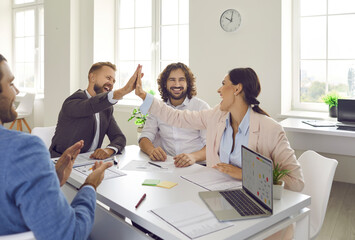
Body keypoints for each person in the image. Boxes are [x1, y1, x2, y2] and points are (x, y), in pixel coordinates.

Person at [135, 67, 304, 239]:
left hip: (257, 211)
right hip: (220, 200)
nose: (219, 90)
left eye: (224, 84)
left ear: (237, 89)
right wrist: (143, 95)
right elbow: (177, 117)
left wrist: (246, 175)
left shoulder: (271, 129)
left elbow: (296, 182)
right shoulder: (218, 115)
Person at [0, 54, 113, 239]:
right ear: (92, 77)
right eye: (10, 83)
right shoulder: (24, 149)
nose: (17, 90)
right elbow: (68, 234)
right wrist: (90, 185)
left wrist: (52, 178)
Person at [50, 62, 143, 159]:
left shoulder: (106, 108)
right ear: (92, 78)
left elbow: (119, 137)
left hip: (89, 161)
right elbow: (90, 106)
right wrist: (124, 91)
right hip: (61, 161)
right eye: (108, 78)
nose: (111, 83)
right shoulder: (72, 102)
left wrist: (108, 150)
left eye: (113, 81)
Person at [139, 62, 210, 167]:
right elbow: (145, 137)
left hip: (197, 165)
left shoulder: (201, 107)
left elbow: (211, 146)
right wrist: (152, 151)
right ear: (165, 84)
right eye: (172, 80)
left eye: (181, 80)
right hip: (168, 165)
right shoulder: (158, 107)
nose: (177, 84)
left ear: (188, 83)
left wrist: (193, 157)